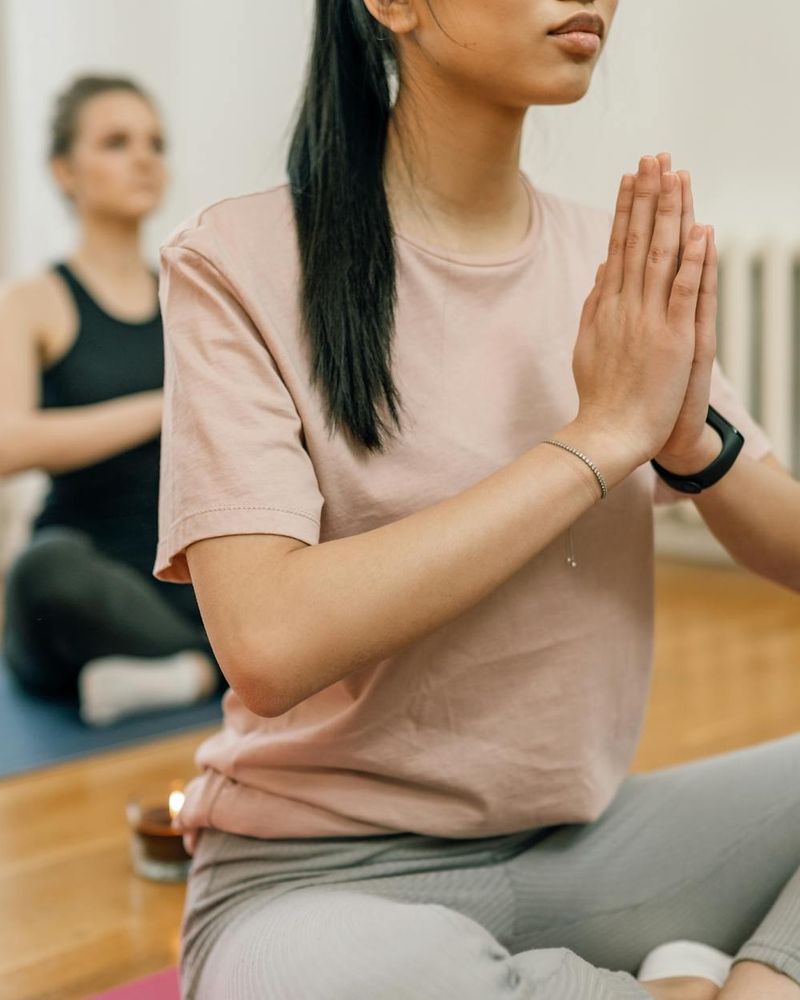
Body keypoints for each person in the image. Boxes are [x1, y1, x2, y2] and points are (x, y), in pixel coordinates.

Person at [153, 2, 800, 998]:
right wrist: (595, 440)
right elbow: (266, 643)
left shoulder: (610, 264)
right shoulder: (234, 261)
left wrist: (691, 446)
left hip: (590, 853)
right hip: (320, 889)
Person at [0, 75, 223, 726]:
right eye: (117, 142)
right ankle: (206, 668)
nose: (146, 157)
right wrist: (162, 405)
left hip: (175, 578)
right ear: (65, 170)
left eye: (155, 141)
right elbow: (8, 444)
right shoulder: (35, 300)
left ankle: (183, 670)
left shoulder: (188, 297)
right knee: (45, 569)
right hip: (82, 580)